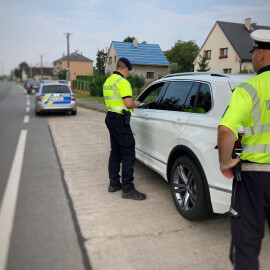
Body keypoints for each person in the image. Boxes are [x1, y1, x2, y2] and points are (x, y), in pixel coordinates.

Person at [217, 29, 270, 270]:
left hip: (256, 178)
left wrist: (225, 162)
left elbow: (227, 130)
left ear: (260, 54)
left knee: (247, 243)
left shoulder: (250, 88)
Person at [103, 57, 146, 200]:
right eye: (128, 72)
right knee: (128, 151)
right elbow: (128, 103)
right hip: (120, 121)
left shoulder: (108, 81)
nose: (128, 75)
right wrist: (137, 104)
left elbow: (109, 101)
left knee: (115, 151)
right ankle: (128, 189)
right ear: (125, 69)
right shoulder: (122, 82)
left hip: (110, 118)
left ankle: (114, 183)